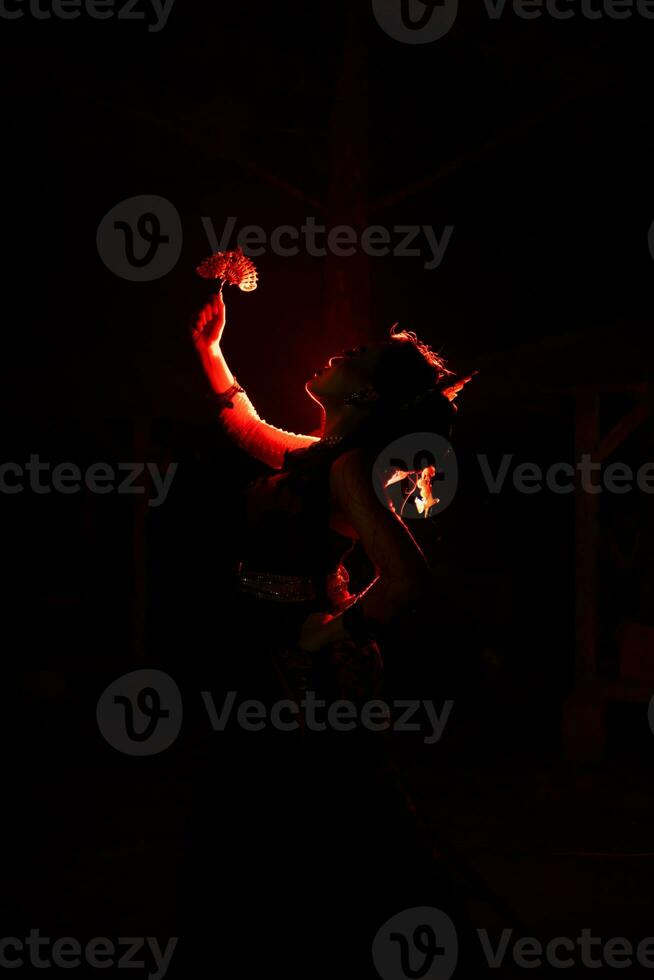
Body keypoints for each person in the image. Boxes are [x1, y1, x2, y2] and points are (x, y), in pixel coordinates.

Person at [183, 288, 473, 978]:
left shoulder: (345, 471)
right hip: (266, 660)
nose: (341, 350)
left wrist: (328, 634)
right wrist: (210, 351)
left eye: (357, 355)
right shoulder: (319, 456)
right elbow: (247, 429)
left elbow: (405, 580)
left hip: (301, 680)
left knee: (303, 832)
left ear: (366, 395)